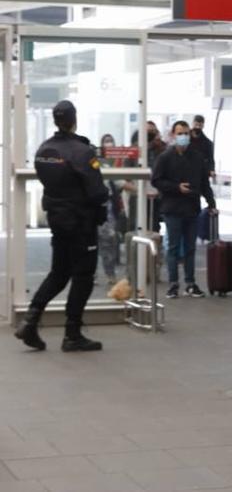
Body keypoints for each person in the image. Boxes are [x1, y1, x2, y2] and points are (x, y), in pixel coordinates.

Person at [17, 100, 109, 352]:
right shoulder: (82, 151)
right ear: (73, 119)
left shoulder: (44, 150)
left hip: (58, 220)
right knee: (83, 276)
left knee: (59, 272)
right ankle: (72, 333)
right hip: (81, 222)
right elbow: (97, 191)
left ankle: (30, 320)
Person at [152, 120, 216, 299]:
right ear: (173, 135)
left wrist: (211, 204)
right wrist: (176, 187)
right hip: (172, 209)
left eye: (186, 133)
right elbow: (156, 180)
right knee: (173, 248)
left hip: (192, 209)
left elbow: (204, 183)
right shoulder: (165, 157)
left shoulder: (196, 157)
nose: (184, 137)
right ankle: (173, 284)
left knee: (190, 248)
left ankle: (190, 283)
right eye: (180, 133)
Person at [97, 134, 133, 286]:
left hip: (106, 207)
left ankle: (110, 274)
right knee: (91, 244)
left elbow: (119, 182)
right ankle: (91, 275)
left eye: (111, 141)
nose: (109, 144)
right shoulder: (94, 164)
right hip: (92, 207)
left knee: (108, 242)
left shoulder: (110, 165)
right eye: (106, 142)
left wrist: (141, 189)